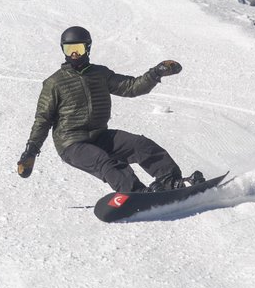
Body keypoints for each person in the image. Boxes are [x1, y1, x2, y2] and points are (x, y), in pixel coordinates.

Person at [16, 26, 203, 193]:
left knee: (140, 145)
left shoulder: (100, 74)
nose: (74, 54)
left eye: (78, 48)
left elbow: (131, 87)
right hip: (71, 143)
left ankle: (173, 182)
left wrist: (156, 73)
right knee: (105, 162)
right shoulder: (54, 83)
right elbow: (43, 119)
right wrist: (31, 151)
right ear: (63, 50)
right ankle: (136, 193)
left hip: (100, 136)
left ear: (87, 48)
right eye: (69, 49)